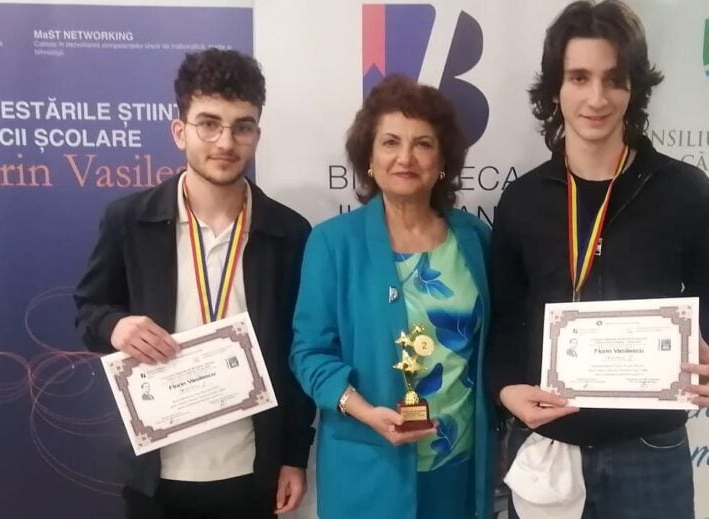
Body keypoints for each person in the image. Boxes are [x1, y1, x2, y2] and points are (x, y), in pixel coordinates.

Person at [488, 1, 709, 517]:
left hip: (650, 448)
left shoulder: (682, 190)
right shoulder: (523, 201)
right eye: (579, 78)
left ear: (634, 88)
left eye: (613, 79)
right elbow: (505, 317)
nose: (596, 98)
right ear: (555, 89)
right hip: (551, 442)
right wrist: (505, 389)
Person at [74, 48, 315, 519]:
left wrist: (293, 455)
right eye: (209, 124)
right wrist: (115, 327)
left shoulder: (288, 233)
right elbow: (88, 310)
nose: (226, 142)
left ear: (257, 135)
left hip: (252, 469)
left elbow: (298, 351)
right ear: (179, 131)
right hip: (156, 473)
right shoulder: (129, 221)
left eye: (242, 126)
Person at [290, 75, 495, 518]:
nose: (405, 157)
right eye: (390, 142)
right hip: (369, 468)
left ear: (443, 160)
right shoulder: (332, 244)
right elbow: (309, 354)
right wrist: (363, 410)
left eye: (423, 144)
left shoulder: (475, 239)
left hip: (457, 463)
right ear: (369, 157)